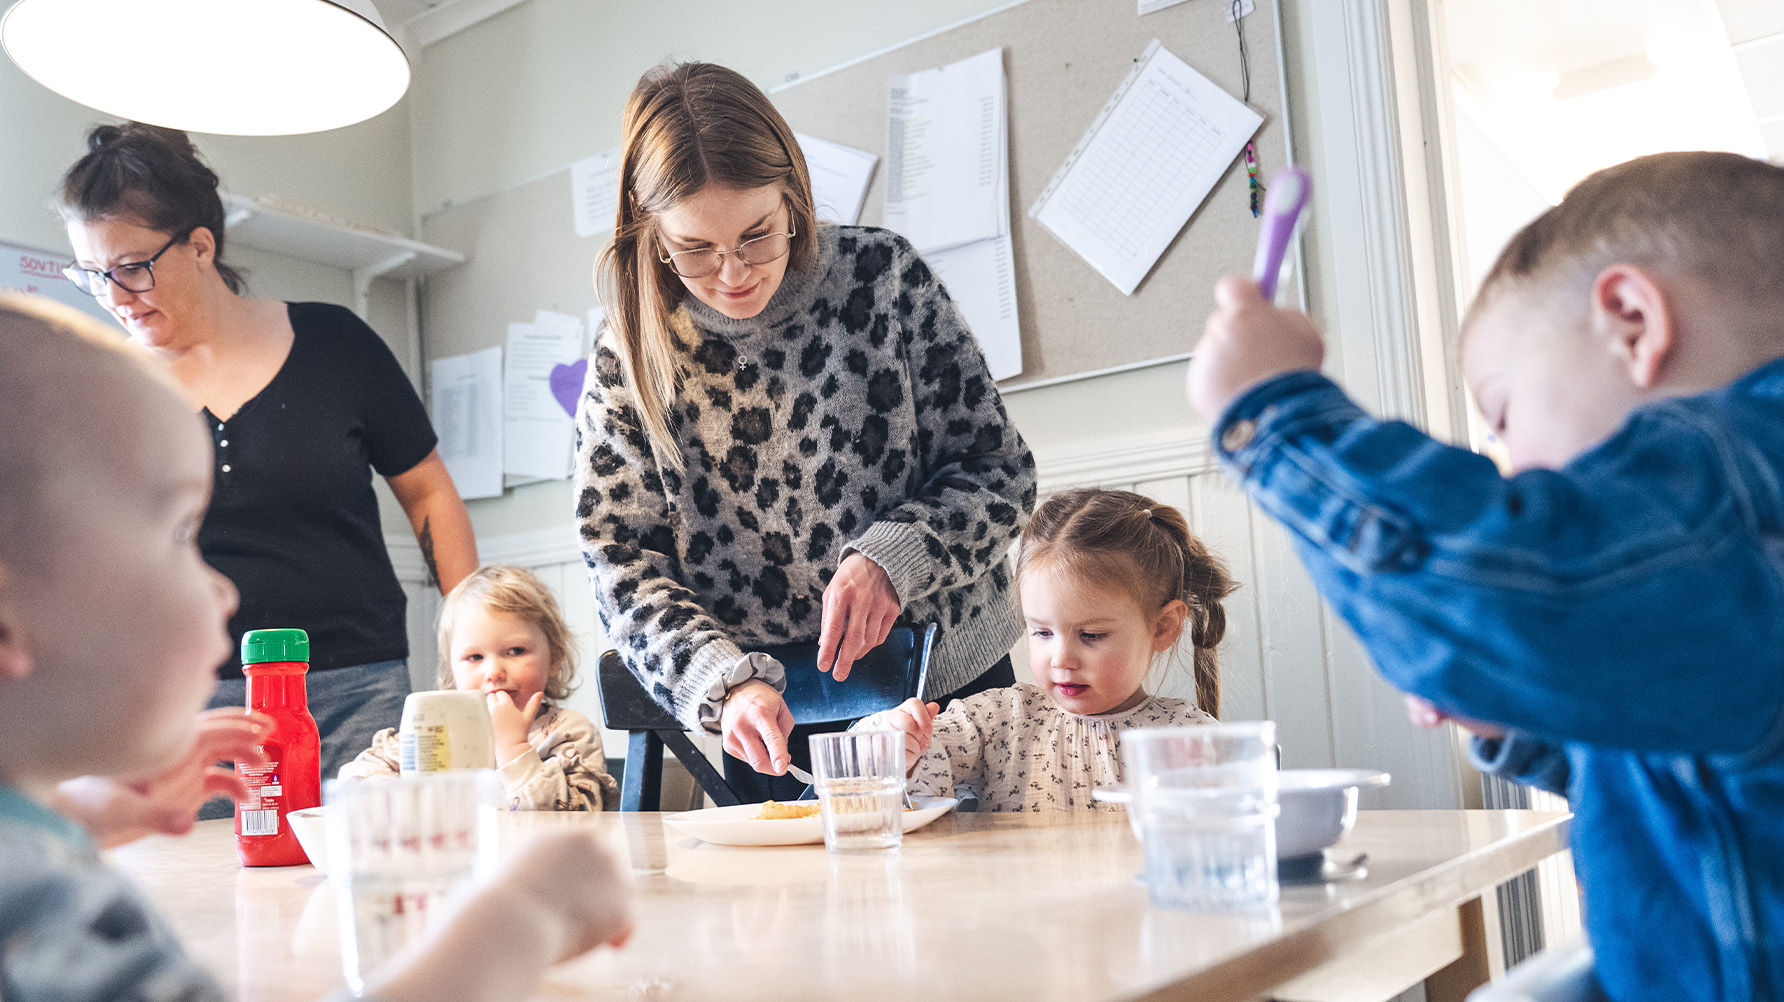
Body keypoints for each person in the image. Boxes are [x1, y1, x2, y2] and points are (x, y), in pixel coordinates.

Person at [1185, 151, 1784, 1002]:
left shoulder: (1734, 481)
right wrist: (1516, 714)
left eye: (1503, 413)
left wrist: (1276, 409)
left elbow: (1503, 586)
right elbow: (1685, 768)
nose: (1509, 460)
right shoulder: (1718, 561)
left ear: (1633, 322)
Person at [0, 293, 632, 1002]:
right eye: (182, 533)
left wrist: (75, 813)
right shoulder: (32, 904)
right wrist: (524, 918)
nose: (226, 592)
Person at [575, 62, 1036, 802]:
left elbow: (999, 471)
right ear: (649, 231)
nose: (733, 273)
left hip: (946, 689)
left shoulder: (883, 279)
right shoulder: (630, 352)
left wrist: (895, 557)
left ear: (792, 193)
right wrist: (721, 683)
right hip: (766, 716)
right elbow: (619, 563)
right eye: (695, 248)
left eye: (758, 234)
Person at [57, 123, 479, 796]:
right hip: (186, 708)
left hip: (357, 689)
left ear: (200, 246)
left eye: (131, 267)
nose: (112, 294)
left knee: (362, 879)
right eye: (91, 274)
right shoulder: (105, 390)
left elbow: (427, 491)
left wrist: (470, 645)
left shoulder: (335, 342)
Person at [854, 488, 1233, 811]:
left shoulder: (1188, 738)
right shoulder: (1000, 721)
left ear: (1163, 627)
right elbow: (897, 765)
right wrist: (893, 741)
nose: (1061, 660)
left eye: (1091, 635)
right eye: (1042, 633)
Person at [340, 565, 620, 811]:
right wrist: (408, 800)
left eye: (515, 650)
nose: (494, 672)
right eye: (475, 657)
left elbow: (578, 821)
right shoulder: (437, 732)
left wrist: (514, 748)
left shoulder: (567, 733)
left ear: (555, 657)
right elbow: (356, 778)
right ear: (452, 670)